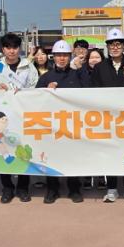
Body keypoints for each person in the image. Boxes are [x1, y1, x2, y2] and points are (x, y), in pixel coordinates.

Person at [0, 32, 39, 204]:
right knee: (4, 152)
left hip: (23, 116)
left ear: (19, 49)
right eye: (8, 47)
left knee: (23, 151)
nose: (12, 51)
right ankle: (7, 188)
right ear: (3, 49)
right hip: (3, 119)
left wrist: (24, 92)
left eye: (15, 47)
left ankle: (23, 188)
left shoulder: (28, 67)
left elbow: (36, 88)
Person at [91, 28, 124, 202]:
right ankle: (111, 188)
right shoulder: (100, 67)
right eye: (111, 44)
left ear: (123, 46)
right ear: (107, 47)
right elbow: (93, 91)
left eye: (118, 44)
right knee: (109, 153)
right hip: (107, 118)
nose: (115, 47)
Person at [36, 40, 91, 203]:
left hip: (74, 123)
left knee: (73, 157)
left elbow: (90, 91)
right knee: (51, 157)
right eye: (58, 55)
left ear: (70, 56)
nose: (61, 58)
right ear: (53, 57)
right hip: (52, 125)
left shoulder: (78, 74)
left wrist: (81, 70)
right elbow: (34, 100)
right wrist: (45, 91)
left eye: (65, 55)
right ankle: (52, 189)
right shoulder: (46, 77)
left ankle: (74, 189)